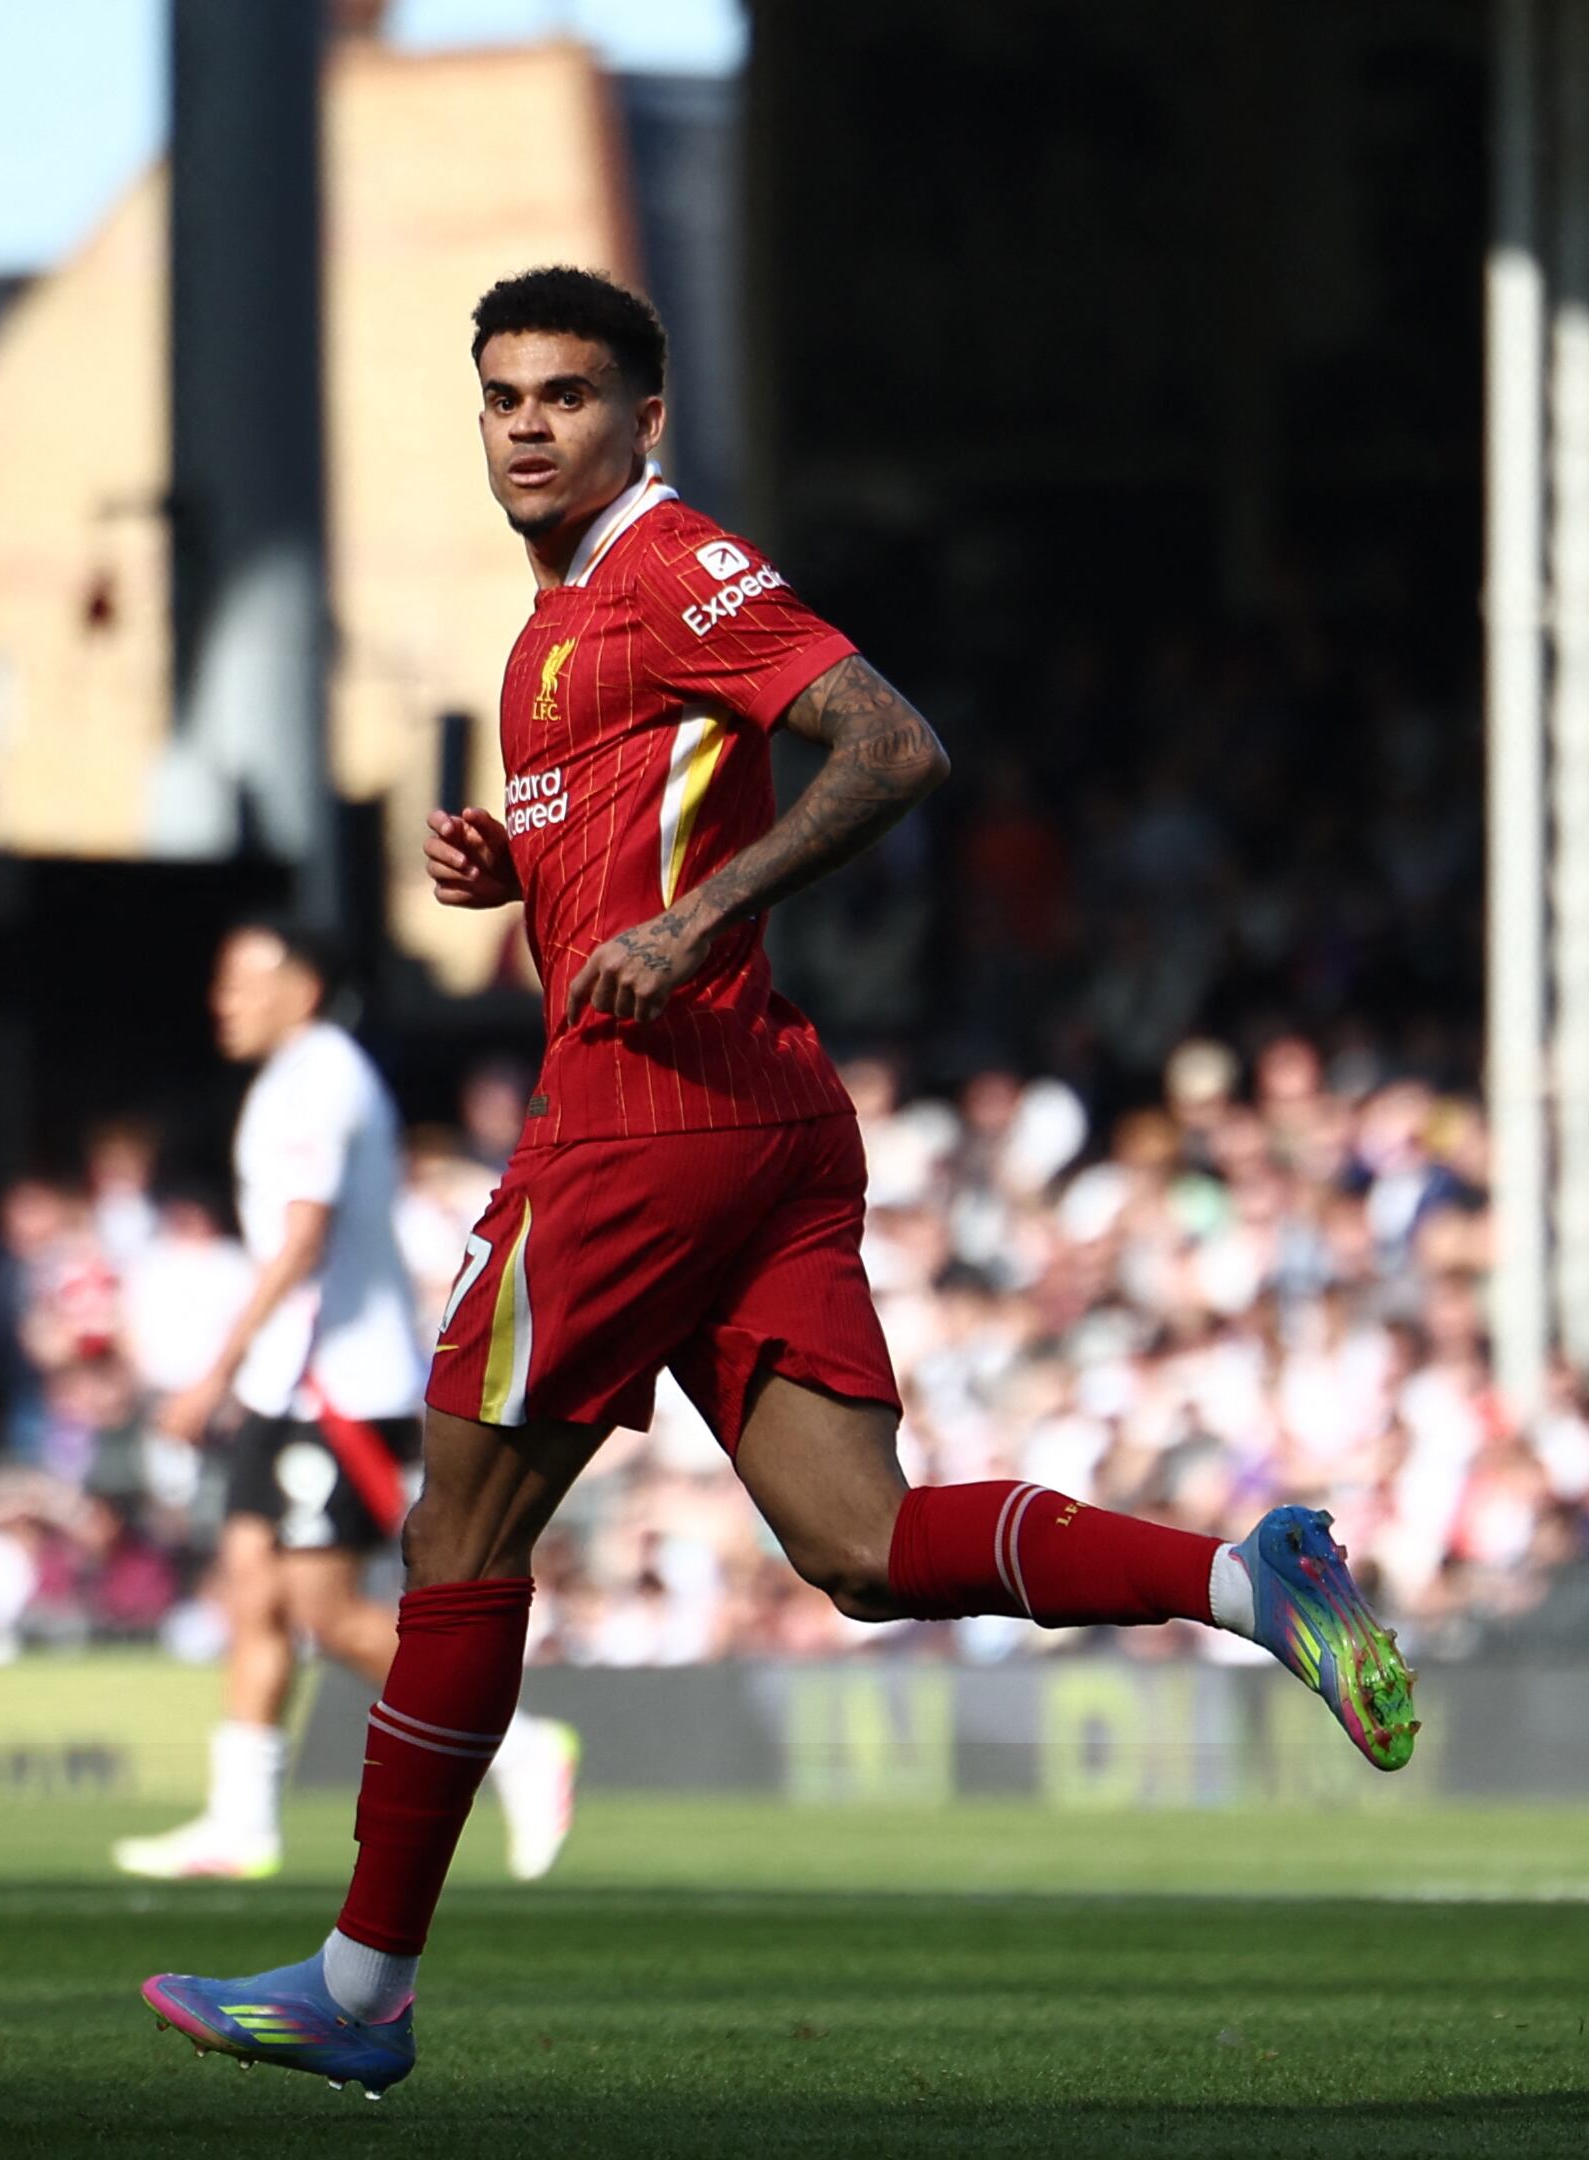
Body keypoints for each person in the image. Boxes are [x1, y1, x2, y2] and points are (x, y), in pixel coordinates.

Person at [139, 268, 1419, 2096]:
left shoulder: (672, 569)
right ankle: (1245, 1575)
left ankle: (362, 1981)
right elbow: (650, 797)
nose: (526, 422)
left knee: (458, 1531)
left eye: (569, 395)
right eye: (503, 393)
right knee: (858, 1547)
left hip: (645, 1123)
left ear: (643, 420)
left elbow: (893, 746)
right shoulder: (555, 630)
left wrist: (696, 914)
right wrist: (529, 853)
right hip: (764, 1120)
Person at [118, 924, 579, 1884]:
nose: (225, 1000)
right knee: (252, 1594)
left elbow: (302, 1239)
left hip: (337, 1386)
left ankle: (519, 1746)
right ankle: (241, 1823)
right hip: (288, 1386)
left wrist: (214, 1372)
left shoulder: (320, 1078)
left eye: (246, 978)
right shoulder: (294, 1077)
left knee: (323, 1609)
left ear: (306, 986)